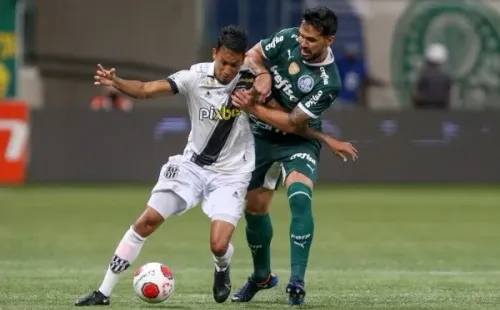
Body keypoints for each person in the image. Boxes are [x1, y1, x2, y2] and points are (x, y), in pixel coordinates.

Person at [75, 25, 255, 306]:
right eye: (223, 62)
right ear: (214, 53)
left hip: (232, 174)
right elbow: (147, 89)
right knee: (146, 221)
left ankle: (222, 267)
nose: (228, 70)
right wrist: (117, 82)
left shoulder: (253, 82)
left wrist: (256, 102)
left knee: (219, 245)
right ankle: (103, 292)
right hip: (192, 166)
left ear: (243, 59)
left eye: (234, 64)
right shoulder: (194, 77)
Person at [229, 6, 357, 306]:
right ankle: (262, 277)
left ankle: (297, 280)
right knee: (254, 210)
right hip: (261, 137)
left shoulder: (329, 82)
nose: (303, 43)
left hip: (298, 142)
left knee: (299, 196)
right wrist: (262, 74)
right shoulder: (287, 39)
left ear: (330, 40)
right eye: (302, 35)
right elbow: (251, 55)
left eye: (311, 40)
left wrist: (252, 107)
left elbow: (292, 123)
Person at [413, 43, 452, 109]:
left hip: (423, 111)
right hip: (441, 111)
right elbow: (448, 97)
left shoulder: (423, 75)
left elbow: (417, 95)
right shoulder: (446, 76)